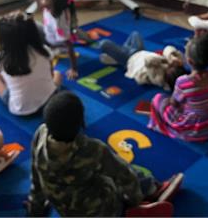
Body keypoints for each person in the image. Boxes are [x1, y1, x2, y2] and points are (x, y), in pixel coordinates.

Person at [26, 91, 184, 216]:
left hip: (67, 212)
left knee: (100, 172)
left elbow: (35, 175)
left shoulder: (40, 134)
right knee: (122, 169)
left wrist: (36, 207)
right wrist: (135, 201)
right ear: (80, 122)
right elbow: (125, 176)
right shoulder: (92, 149)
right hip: (102, 211)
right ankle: (149, 192)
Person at [148, 33, 208, 142]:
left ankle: (157, 124)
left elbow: (174, 103)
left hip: (194, 127)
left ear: (189, 61)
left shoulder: (183, 82)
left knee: (158, 98)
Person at [0, 11, 61, 116]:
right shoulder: (44, 50)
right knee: (57, 74)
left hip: (19, 109)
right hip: (49, 100)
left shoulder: (2, 58)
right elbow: (52, 74)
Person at [28, 0, 86, 79]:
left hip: (53, 43)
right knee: (28, 23)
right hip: (49, 33)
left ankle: (55, 48)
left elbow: (70, 47)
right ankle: (77, 33)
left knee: (27, 25)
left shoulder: (59, 24)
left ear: (51, 7)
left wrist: (74, 69)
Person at [99, 31, 188, 91]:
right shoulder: (173, 65)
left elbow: (149, 61)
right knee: (135, 34)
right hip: (141, 51)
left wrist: (165, 59)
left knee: (104, 44)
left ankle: (118, 57)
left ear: (168, 80)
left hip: (130, 59)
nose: (169, 66)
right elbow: (168, 48)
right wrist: (172, 57)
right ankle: (117, 56)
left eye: (170, 70)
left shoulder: (158, 78)